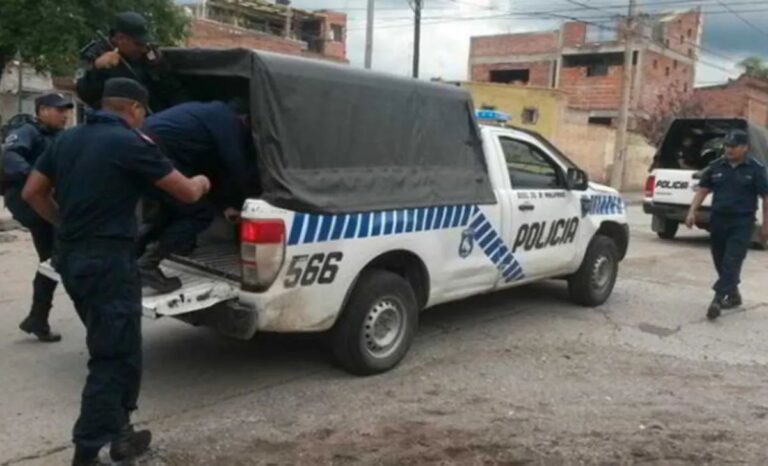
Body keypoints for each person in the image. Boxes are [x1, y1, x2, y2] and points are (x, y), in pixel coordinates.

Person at [22, 78, 210, 466]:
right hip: (107, 263)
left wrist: (63, 224)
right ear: (135, 109)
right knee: (112, 357)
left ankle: (122, 434)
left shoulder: (67, 140)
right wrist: (204, 180)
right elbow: (187, 193)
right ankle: (87, 450)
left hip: (70, 258)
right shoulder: (131, 143)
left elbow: (32, 193)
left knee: (120, 347)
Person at [137, 99, 256, 292]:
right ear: (247, 119)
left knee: (168, 211)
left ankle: (133, 259)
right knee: (199, 213)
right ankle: (148, 264)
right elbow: (236, 167)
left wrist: (225, 205)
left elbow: (212, 170)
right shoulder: (229, 123)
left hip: (142, 148)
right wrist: (251, 202)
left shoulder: (210, 114)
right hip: (158, 152)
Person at [2, 93, 73, 342]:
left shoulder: (59, 136)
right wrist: (38, 179)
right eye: (59, 110)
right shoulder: (27, 131)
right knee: (59, 254)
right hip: (29, 202)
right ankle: (38, 317)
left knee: (51, 258)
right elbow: (10, 158)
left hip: (46, 201)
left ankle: (37, 318)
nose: (65, 115)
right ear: (42, 110)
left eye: (67, 111)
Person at [685, 129, 768, 320]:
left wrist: (766, 225)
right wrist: (692, 211)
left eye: (734, 146)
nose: (729, 149)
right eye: (727, 146)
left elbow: (766, 197)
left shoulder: (755, 169)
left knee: (732, 260)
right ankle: (733, 293)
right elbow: (703, 190)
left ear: (745, 147)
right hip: (718, 220)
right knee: (720, 260)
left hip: (742, 222)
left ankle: (717, 299)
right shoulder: (717, 166)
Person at [77, 11, 185, 112]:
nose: (143, 49)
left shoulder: (149, 54)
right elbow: (85, 93)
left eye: (145, 44)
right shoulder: (95, 55)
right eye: (138, 44)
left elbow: (173, 91)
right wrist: (97, 70)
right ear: (120, 38)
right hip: (118, 118)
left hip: (155, 116)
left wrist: (158, 66)